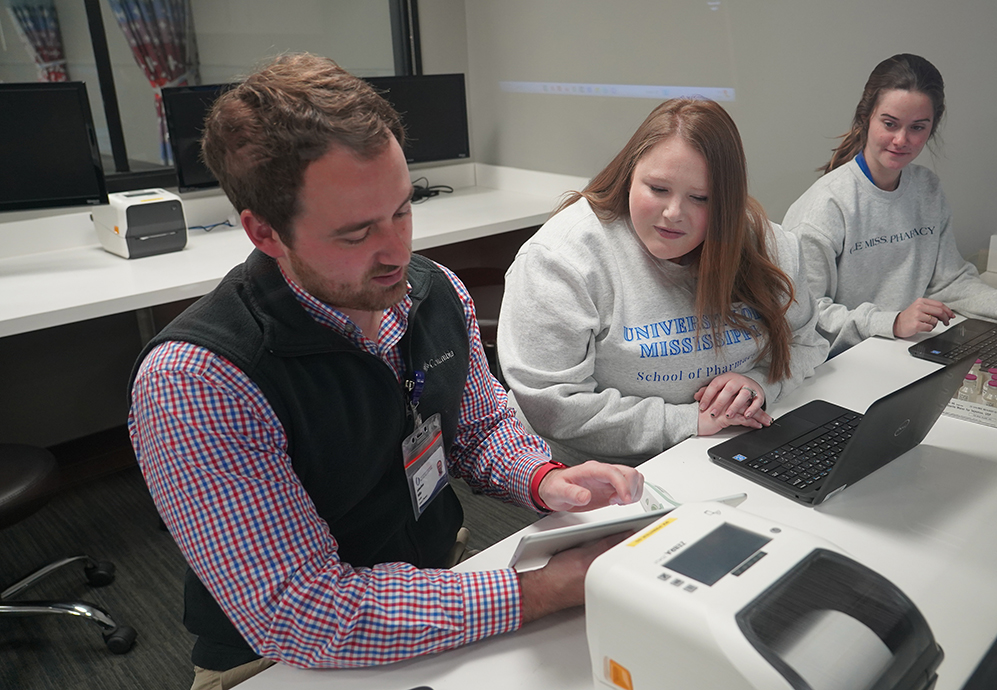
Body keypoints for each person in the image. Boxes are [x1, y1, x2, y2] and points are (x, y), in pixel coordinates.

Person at [127, 53, 643, 689]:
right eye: (355, 233)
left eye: (403, 208)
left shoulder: (435, 291)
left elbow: (479, 427)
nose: (397, 251)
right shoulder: (200, 379)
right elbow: (304, 609)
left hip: (436, 582)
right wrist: (537, 593)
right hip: (281, 658)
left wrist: (543, 480)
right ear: (264, 233)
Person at [498, 98, 829, 466]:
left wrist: (758, 384)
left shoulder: (767, 245)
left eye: (700, 198)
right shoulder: (562, 259)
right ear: (629, 176)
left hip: (724, 452)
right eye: (657, 189)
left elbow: (807, 341)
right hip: (598, 476)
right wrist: (688, 421)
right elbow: (553, 405)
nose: (673, 214)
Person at [782, 53, 997, 356]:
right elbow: (804, 319)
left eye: (917, 127)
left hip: (905, 353)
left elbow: (950, 283)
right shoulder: (824, 208)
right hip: (840, 368)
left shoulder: (927, 190)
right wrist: (893, 322)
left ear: (932, 127)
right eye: (890, 123)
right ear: (866, 118)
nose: (902, 139)